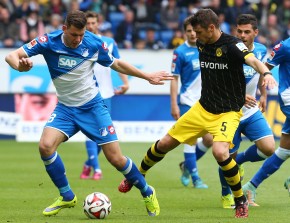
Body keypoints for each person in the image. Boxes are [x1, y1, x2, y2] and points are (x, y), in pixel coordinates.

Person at [5, 10, 173, 217]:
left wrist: (146, 76)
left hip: (92, 107)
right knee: (45, 147)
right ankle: (67, 196)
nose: (78, 39)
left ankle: (147, 191)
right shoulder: (48, 41)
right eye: (74, 35)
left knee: (116, 159)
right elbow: (11, 56)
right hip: (66, 108)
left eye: (81, 35)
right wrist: (21, 67)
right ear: (64, 28)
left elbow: (117, 63)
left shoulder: (93, 43)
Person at [117, 8, 277, 218]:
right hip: (202, 108)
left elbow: (253, 61)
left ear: (211, 28)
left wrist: (265, 73)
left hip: (227, 112)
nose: (195, 37)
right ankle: (136, 175)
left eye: (199, 32)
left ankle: (239, 201)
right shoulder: (202, 42)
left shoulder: (232, 45)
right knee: (165, 143)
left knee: (220, 152)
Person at [217, 14, 275, 209]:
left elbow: (261, 72)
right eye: (239, 31)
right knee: (226, 157)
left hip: (250, 111)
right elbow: (218, 83)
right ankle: (227, 194)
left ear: (255, 33)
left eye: (247, 32)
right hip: (229, 111)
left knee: (268, 148)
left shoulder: (260, 50)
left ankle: (241, 160)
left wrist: (264, 95)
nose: (242, 35)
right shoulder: (227, 51)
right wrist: (240, 97)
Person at [242, 30, 290, 207]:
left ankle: (250, 186)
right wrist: (262, 93)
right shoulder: (285, 46)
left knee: (284, 151)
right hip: (288, 97)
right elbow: (264, 69)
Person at [80, 11, 129, 181]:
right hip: (86, 94)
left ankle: (88, 163)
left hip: (106, 94)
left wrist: (126, 83)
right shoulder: (80, 42)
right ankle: (97, 169)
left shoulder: (109, 42)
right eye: (88, 23)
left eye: (93, 23)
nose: (91, 26)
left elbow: (119, 63)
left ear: (98, 23)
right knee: (89, 132)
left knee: (102, 134)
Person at [170, 16, 213, 189]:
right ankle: (196, 178)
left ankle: (187, 166)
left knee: (209, 140)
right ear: (184, 32)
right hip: (187, 100)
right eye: (189, 31)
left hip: (207, 102)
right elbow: (174, 79)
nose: (193, 34)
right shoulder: (180, 52)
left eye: (195, 30)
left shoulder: (207, 47)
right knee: (191, 138)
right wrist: (173, 103)